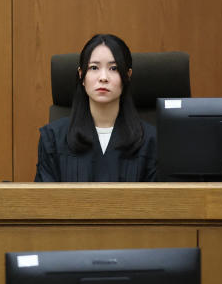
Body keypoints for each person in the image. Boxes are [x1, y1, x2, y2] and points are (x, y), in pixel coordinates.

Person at [35, 33, 157, 182]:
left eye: (114, 68)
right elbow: (42, 201)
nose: (103, 77)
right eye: (94, 68)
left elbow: (160, 202)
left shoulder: (151, 141)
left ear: (127, 76)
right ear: (81, 76)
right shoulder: (53, 139)